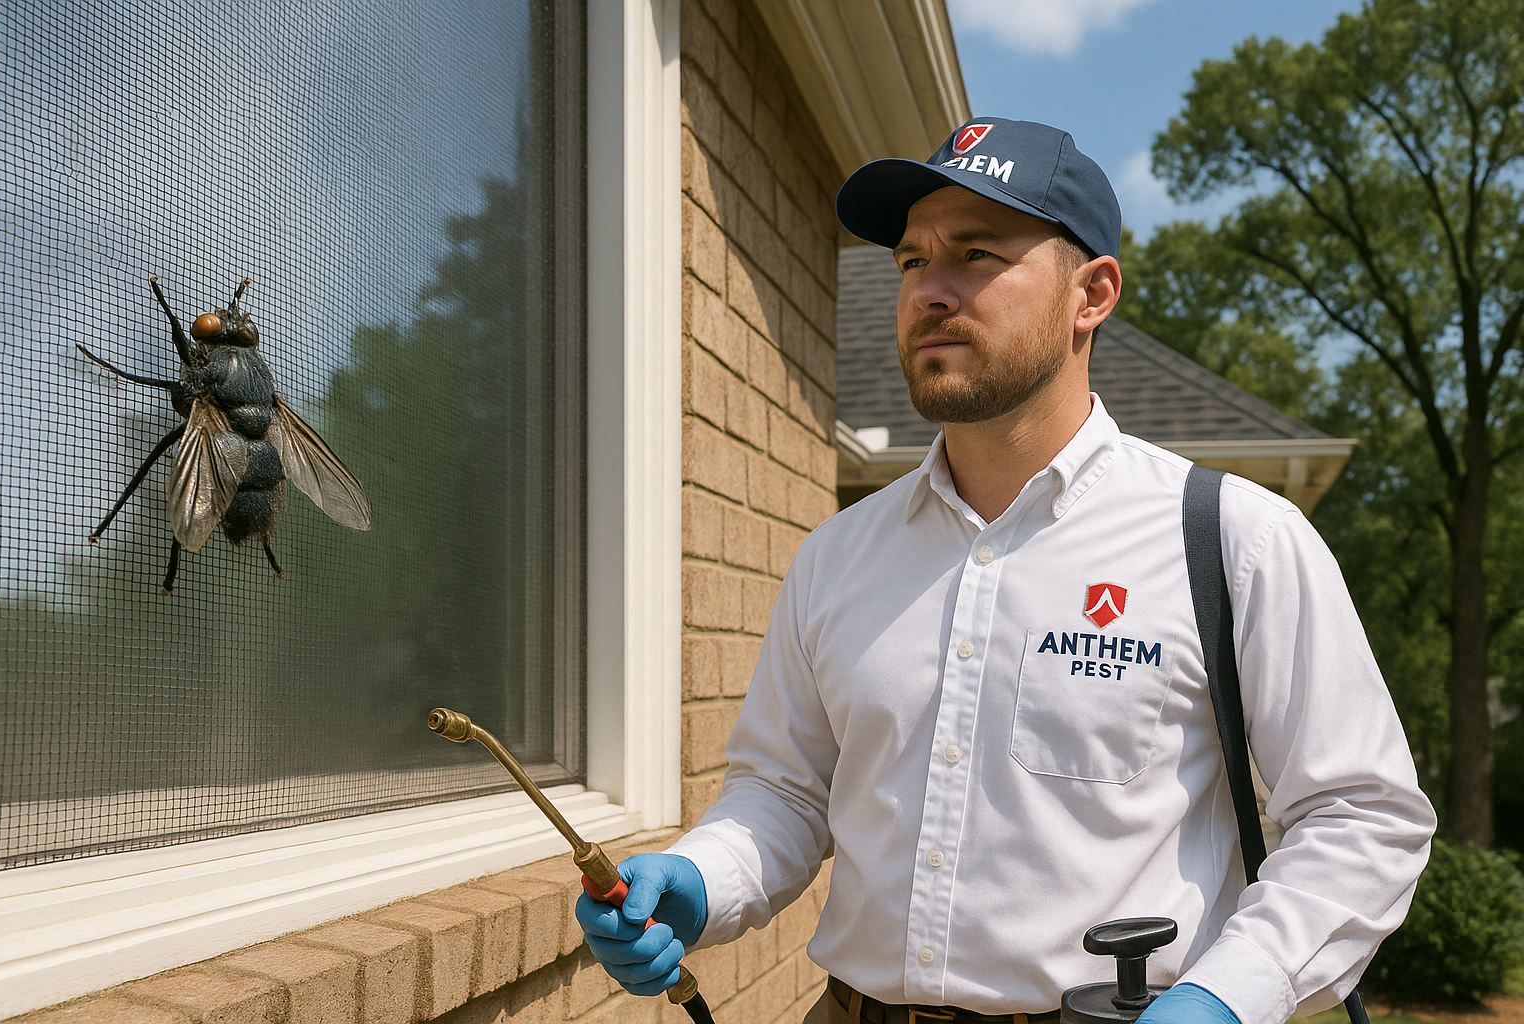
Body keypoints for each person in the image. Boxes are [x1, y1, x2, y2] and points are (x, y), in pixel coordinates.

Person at [576, 118, 1436, 1024]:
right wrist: (702, 878)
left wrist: (1224, 998)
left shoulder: (1234, 540)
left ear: (1091, 293)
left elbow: (1361, 819)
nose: (929, 293)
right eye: (911, 262)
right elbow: (786, 793)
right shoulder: (840, 553)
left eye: (976, 255)